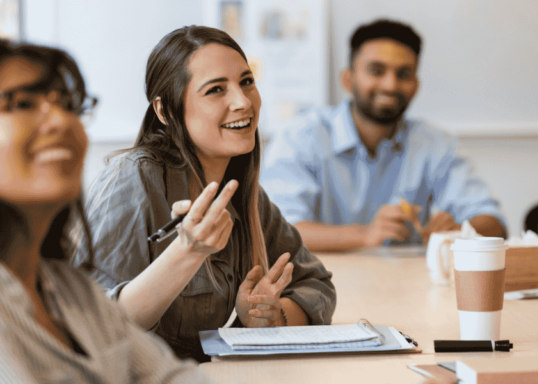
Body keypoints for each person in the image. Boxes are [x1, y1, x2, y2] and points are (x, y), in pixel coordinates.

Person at [73, 26, 336, 362]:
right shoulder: (132, 180)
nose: (243, 102)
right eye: (215, 90)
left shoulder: (245, 192)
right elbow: (92, 327)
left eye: (246, 81)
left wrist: (271, 315)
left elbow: (317, 284)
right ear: (165, 111)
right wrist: (186, 253)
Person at [0, 40, 212, 383]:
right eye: (22, 103)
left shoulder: (69, 290)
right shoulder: (133, 175)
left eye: (68, 105)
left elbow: (169, 376)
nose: (60, 121)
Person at [261, 19, 506, 252]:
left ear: (416, 85)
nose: (390, 85)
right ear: (348, 79)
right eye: (376, 71)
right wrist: (365, 235)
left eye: (403, 74)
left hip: (407, 286)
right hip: (321, 286)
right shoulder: (299, 138)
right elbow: (277, 232)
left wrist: (461, 231)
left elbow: (494, 223)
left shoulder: (435, 144)